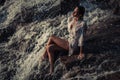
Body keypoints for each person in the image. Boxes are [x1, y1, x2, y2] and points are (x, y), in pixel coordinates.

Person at [41, 5, 87, 74]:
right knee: (49, 48)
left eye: (75, 12)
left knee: (51, 37)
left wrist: (81, 52)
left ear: (80, 15)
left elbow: (81, 38)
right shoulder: (72, 19)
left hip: (73, 45)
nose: (73, 13)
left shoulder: (82, 24)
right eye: (73, 11)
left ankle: (43, 57)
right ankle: (51, 69)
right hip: (69, 42)